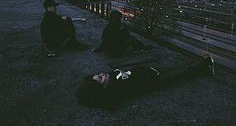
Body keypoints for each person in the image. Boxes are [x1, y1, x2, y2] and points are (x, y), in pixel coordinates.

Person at [76, 56, 215, 110]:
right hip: (154, 80)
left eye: (98, 74)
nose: (101, 74)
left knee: (179, 70)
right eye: (100, 78)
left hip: (150, 71)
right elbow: (111, 103)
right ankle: (204, 68)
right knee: (181, 73)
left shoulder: (112, 78)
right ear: (103, 87)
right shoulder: (116, 90)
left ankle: (203, 69)